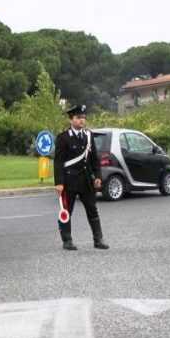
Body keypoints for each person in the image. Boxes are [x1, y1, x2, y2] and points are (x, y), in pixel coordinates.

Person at [53, 104, 109, 251]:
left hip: (86, 181)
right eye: (78, 118)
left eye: (83, 118)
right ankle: (67, 240)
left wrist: (97, 176)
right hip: (69, 181)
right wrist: (59, 182)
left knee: (92, 210)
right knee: (66, 210)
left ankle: (98, 239)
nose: (82, 121)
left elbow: (94, 159)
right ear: (71, 120)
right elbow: (58, 162)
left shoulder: (89, 136)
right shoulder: (63, 138)